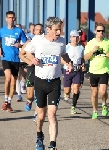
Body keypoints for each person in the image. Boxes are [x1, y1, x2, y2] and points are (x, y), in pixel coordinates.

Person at [21, 17, 72, 150]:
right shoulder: (38, 40)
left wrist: (69, 62)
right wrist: (33, 59)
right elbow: (26, 51)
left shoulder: (61, 41)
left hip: (55, 82)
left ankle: (52, 145)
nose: (59, 32)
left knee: (52, 114)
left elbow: (64, 54)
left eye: (60, 29)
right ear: (48, 29)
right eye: (56, 29)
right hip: (40, 82)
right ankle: (39, 135)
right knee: (41, 115)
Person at [0, 11, 27, 112]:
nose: (11, 19)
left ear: (15, 19)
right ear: (6, 19)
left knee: (14, 81)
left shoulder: (19, 31)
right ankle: (5, 100)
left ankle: (9, 102)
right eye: (9, 17)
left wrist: (21, 45)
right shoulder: (2, 31)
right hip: (5, 58)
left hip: (15, 58)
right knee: (8, 78)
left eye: (13, 17)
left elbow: (26, 42)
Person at [84, 23, 109, 119]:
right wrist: (93, 51)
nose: (100, 33)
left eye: (102, 31)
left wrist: (107, 54)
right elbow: (85, 57)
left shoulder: (108, 42)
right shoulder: (90, 43)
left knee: (103, 92)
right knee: (94, 93)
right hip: (93, 71)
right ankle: (95, 111)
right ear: (95, 32)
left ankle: (104, 104)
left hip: (104, 70)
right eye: (98, 31)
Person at [19, 23, 43, 121]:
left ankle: (36, 114)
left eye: (41, 30)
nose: (39, 31)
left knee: (39, 94)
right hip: (32, 69)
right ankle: (29, 101)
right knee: (30, 95)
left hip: (41, 69)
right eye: (37, 30)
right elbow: (21, 55)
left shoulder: (45, 42)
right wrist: (29, 62)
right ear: (34, 31)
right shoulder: (29, 42)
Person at [63, 30, 85, 114]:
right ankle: (66, 94)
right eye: (73, 37)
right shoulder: (67, 47)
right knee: (67, 90)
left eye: (77, 37)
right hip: (68, 70)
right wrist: (68, 64)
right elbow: (62, 58)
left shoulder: (81, 48)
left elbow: (82, 58)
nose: (75, 39)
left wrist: (83, 65)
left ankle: (73, 106)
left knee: (76, 88)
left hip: (77, 70)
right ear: (70, 38)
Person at [15, 23, 27, 102]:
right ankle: (19, 95)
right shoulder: (11, 37)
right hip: (15, 58)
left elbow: (28, 46)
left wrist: (21, 46)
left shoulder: (24, 37)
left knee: (24, 75)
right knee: (17, 76)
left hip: (23, 58)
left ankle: (23, 83)